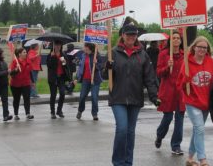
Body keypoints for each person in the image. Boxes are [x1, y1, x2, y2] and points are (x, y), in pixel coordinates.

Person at [106, 24, 159, 166]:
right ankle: (118, 162)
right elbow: (106, 76)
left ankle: (128, 162)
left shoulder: (143, 54)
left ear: (136, 37)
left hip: (135, 98)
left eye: (133, 35)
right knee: (122, 129)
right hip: (118, 97)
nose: (131, 37)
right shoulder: (114, 53)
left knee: (130, 132)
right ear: (122, 35)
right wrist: (108, 67)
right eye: (128, 34)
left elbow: (149, 78)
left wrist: (154, 96)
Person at [177, 36, 213, 166]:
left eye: (204, 47)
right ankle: (203, 159)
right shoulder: (186, 63)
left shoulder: (210, 62)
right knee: (199, 128)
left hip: (206, 102)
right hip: (192, 101)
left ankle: (190, 158)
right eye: (199, 47)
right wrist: (185, 79)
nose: (202, 49)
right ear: (194, 48)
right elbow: (179, 84)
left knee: (198, 130)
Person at [155, 32, 185, 155]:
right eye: (174, 38)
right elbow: (158, 72)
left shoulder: (185, 55)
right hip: (167, 90)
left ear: (181, 41)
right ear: (170, 41)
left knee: (179, 119)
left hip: (181, 91)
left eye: (178, 38)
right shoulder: (164, 54)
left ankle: (176, 145)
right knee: (167, 117)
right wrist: (167, 67)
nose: (176, 40)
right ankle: (159, 136)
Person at [76, 43, 104, 121]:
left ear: (89, 48)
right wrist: (77, 77)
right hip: (85, 79)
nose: (84, 48)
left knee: (94, 97)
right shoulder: (83, 55)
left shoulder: (96, 55)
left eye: (85, 47)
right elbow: (81, 67)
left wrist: (96, 63)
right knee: (82, 96)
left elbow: (102, 66)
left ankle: (94, 113)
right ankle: (80, 110)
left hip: (95, 80)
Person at [46, 40, 71, 119]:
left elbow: (66, 66)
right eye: (56, 45)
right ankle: (52, 112)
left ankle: (59, 110)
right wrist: (52, 57)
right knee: (53, 95)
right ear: (53, 46)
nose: (58, 47)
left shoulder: (63, 54)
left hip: (61, 77)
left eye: (59, 45)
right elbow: (49, 66)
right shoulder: (50, 55)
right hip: (53, 78)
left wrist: (64, 62)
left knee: (62, 93)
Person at [10, 48, 34, 120]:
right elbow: (11, 74)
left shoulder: (28, 61)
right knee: (16, 99)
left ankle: (28, 113)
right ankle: (16, 114)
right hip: (15, 84)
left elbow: (30, 72)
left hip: (26, 83)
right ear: (19, 54)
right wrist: (16, 70)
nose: (26, 53)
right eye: (24, 52)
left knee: (27, 98)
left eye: (26, 52)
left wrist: (32, 82)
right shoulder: (15, 62)